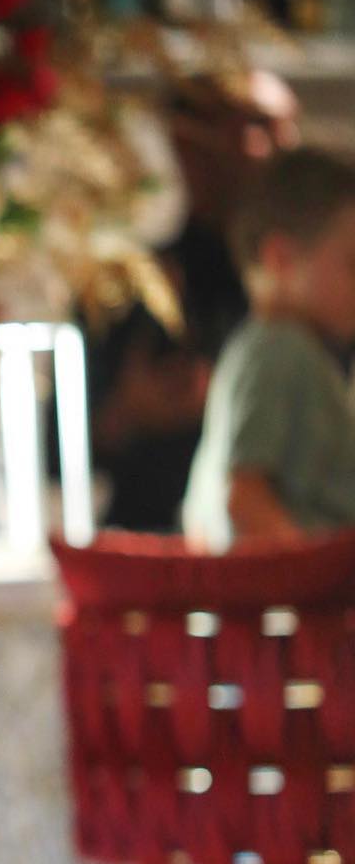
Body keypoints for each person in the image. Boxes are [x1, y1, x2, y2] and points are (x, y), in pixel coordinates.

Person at [87, 73, 300, 532]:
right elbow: (53, 447)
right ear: (189, 147)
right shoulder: (131, 280)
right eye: (259, 127)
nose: (287, 148)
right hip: (156, 541)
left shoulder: (319, 277)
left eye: (288, 128)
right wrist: (126, 412)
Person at [183, 146, 355, 550]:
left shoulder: (256, 349)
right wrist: (313, 573)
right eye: (353, 264)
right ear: (280, 259)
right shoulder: (283, 349)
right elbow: (245, 498)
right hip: (304, 587)